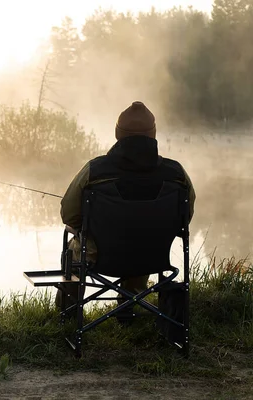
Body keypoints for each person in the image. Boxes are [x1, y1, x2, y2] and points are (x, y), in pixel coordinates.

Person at [54, 101, 196, 316]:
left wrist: (88, 228)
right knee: (143, 237)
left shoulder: (95, 170)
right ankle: (129, 308)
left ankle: (70, 312)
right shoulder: (176, 173)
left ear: (117, 134)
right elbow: (184, 219)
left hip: (100, 256)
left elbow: (69, 214)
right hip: (153, 255)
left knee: (73, 247)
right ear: (153, 134)